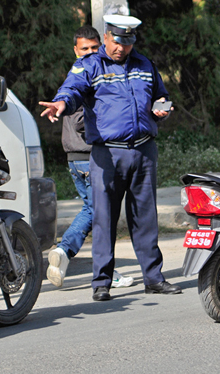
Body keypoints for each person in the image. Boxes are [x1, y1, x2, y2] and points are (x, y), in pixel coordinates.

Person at [40, 14, 181, 302]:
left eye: (127, 43)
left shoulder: (145, 65)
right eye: (116, 42)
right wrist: (61, 103)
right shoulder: (90, 65)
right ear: (106, 37)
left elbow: (161, 95)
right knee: (104, 218)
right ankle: (102, 282)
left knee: (146, 218)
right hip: (107, 154)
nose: (121, 48)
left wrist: (162, 107)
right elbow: (72, 89)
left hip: (143, 151)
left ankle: (153, 278)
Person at [46, 25, 133, 289]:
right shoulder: (82, 77)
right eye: (85, 48)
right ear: (75, 50)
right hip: (87, 156)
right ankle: (95, 266)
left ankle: (64, 253)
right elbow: (81, 120)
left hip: (79, 157)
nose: (90, 52)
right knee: (101, 213)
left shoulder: (89, 74)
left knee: (93, 210)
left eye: (95, 48)